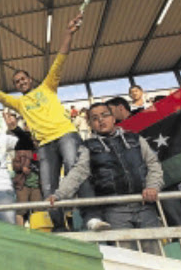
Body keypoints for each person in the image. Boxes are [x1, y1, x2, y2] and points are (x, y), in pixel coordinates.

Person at [0, 13, 90, 229]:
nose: (21, 82)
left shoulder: (47, 87)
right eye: (17, 82)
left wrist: (68, 34)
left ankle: (90, 216)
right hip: (44, 145)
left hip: (65, 134)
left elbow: (60, 59)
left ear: (30, 79)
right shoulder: (20, 104)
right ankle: (60, 226)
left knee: (75, 170)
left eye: (23, 79)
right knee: (48, 186)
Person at [48, 103, 164, 255]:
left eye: (104, 115)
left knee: (155, 257)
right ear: (90, 124)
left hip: (145, 207)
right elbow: (78, 173)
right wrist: (59, 194)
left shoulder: (135, 139)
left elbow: (153, 164)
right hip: (115, 211)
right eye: (95, 118)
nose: (101, 120)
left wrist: (153, 186)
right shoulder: (88, 147)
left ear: (113, 118)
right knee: (126, 259)